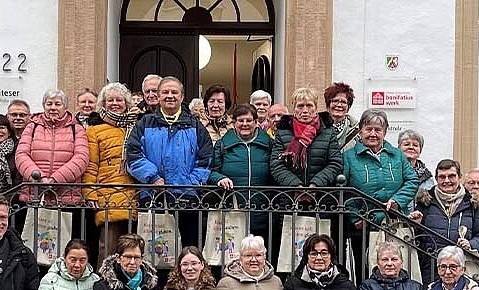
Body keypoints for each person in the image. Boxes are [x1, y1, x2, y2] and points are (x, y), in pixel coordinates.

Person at [124, 76, 213, 247]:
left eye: (174, 92)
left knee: (188, 248)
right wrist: (153, 177)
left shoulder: (195, 126)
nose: (170, 96)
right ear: (158, 97)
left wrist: (191, 182)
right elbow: (133, 155)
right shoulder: (144, 123)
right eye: (165, 92)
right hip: (152, 196)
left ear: (182, 97)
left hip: (187, 197)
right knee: (153, 250)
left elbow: (206, 159)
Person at [342, 109, 419, 273]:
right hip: (365, 226)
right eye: (368, 129)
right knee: (367, 270)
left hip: (395, 223)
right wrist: (355, 217)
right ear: (360, 130)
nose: (373, 134)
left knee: (398, 267)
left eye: (378, 130)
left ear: (384, 132)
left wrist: (397, 201)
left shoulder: (397, 155)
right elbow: (342, 189)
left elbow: (412, 180)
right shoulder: (349, 157)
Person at [409, 160, 479, 284]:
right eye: (442, 177)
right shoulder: (425, 201)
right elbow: (415, 239)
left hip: (462, 268)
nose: (446, 181)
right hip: (431, 269)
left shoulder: (472, 203)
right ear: (436, 179)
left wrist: (470, 244)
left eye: (451, 176)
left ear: (459, 177)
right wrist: (415, 225)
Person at [84, 82, 140, 258]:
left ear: (127, 103)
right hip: (108, 196)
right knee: (108, 249)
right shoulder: (94, 130)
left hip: (136, 195)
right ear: (103, 103)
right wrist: (90, 193)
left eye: (119, 100)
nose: (115, 103)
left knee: (134, 251)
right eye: (110, 100)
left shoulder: (136, 126)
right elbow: (91, 165)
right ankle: (106, 283)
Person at [16, 89, 90, 210]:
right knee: (35, 229)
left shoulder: (76, 129)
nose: (53, 108)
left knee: (64, 229)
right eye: (49, 104)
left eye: (57, 104)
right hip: (35, 195)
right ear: (44, 106)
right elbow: (21, 155)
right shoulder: (32, 127)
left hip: (66, 197)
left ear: (65, 107)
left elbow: (81, 158)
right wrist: (40, 179)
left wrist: (56, 179)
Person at [210, 104, 275, 239]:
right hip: (232, 213)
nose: (245, 124)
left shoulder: (269, 144)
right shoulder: (222, 144)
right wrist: (220, 178)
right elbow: (211, 171)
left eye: (249, 120)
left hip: (262, 213)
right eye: (240, 120)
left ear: (256, 122)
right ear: (234, 123)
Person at [271, 88, 343, 191]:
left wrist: (316, 185)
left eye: (309, 105)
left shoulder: (328, 132)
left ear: (316, 108)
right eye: (300, 106)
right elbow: (276, 165)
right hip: (290, 197)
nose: (305, 111)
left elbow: (335, 163)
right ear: (294, 109)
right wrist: (296, 186)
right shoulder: (282, 132)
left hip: (322, 197)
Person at [324, 82, 358, 150]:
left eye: (343, 102)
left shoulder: (356, 130)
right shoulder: (318, 126)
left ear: (348, 107)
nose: (339, 105)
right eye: (335, 101)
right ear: (328, 105)